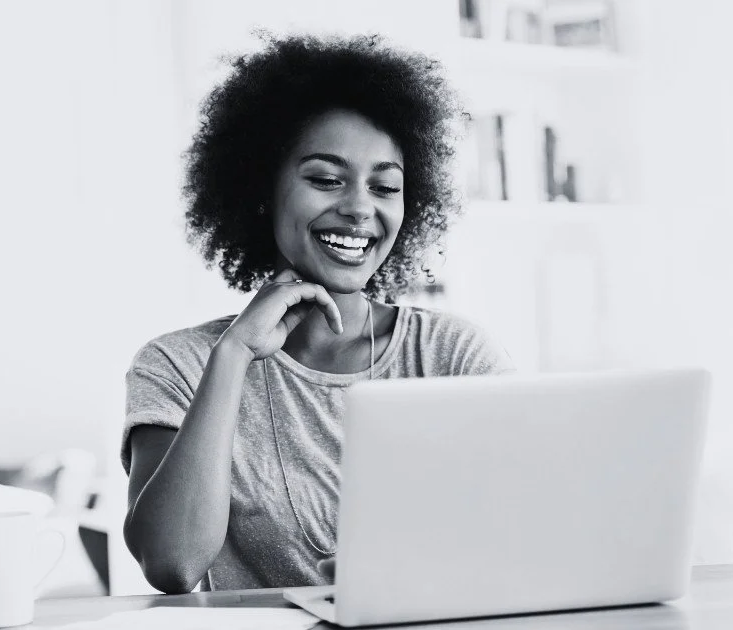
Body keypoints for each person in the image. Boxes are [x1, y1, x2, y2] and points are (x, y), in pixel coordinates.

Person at [121, 32, 514, 594]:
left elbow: (523, 530)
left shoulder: (452, 355)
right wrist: (233, 355)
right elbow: (173, 564)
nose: (359, 209)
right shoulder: (177, 365)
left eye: (385, 187)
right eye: (326, 179)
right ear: (262, 190)